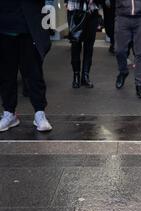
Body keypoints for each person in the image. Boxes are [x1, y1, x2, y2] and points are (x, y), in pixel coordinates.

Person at [0, 0, 53, 132]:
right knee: (6, 74)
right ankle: (9, 112)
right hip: (4, 24)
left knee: (34, 73)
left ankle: (39, 112)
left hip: (30, 25)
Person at [114, 0, 141, 98]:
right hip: (123, 16)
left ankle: (139, 84)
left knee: (140, 53)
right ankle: (123, 71)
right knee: (119, 50)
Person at [65, 0, 100, 89]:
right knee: (75, 43)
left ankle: (85, 75)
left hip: (92, 11)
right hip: (75, 10)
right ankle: (76, 76)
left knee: (89, 45)